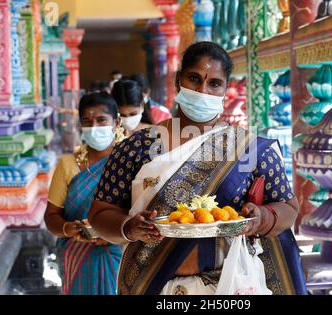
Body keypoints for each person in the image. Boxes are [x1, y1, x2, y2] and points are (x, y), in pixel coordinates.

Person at [88, 41, 306, 295]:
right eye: (194, 78)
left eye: (214, 83)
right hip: (152, 286)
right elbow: (100, 214)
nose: (203, 90)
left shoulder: (250, 149)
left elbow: (289, 209)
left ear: (226, 89)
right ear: (178, 80)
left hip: (229, 287)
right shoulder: (136, 147)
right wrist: (129, 227)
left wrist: (262, 218)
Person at [44, 92, 123, 295]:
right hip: (77, 254)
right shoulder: (68, 165)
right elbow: (51, 215)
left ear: (117, 122)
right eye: (87, 121)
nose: (94, 127)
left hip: (121, 253)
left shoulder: (130, 163)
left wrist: (117, 235)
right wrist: (67, 228)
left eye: (101, 120)